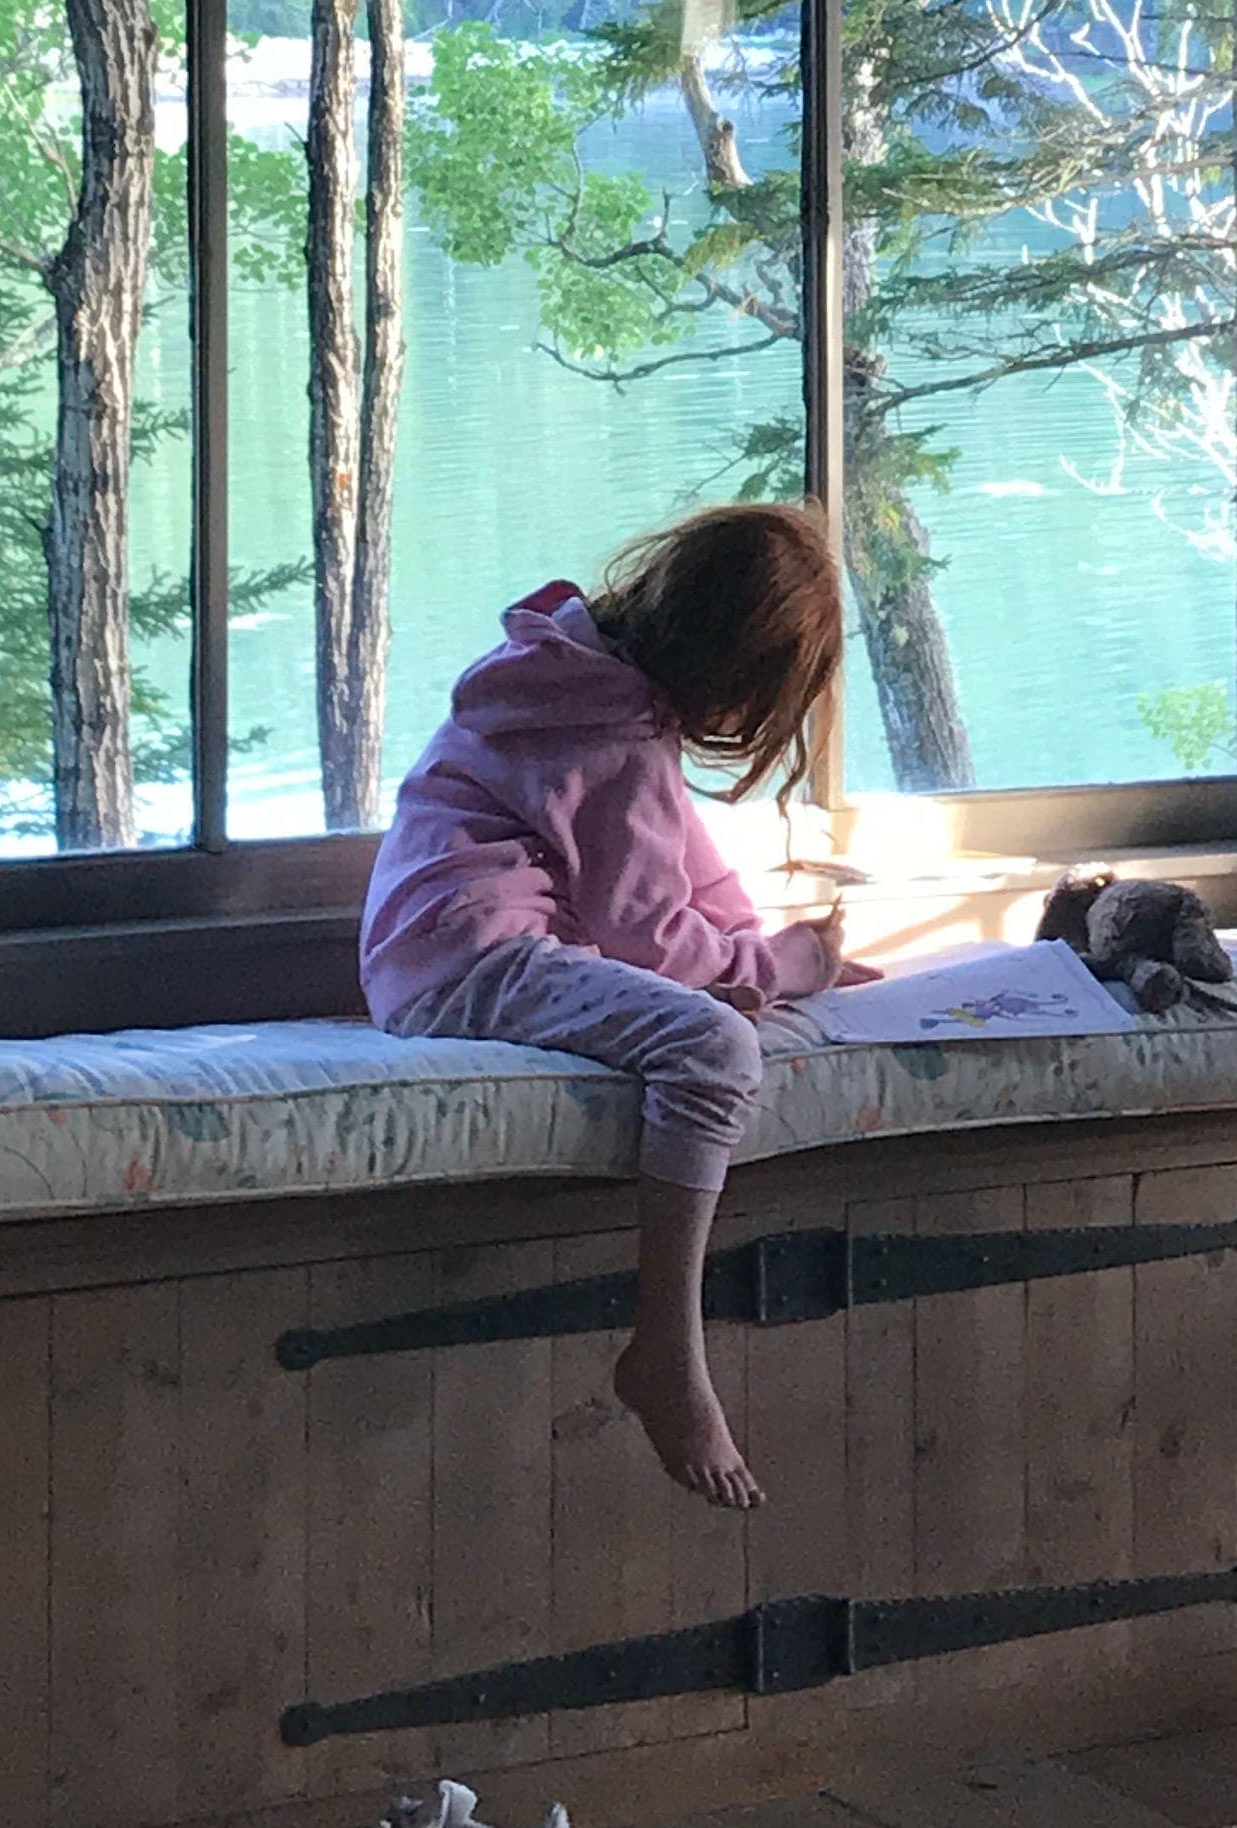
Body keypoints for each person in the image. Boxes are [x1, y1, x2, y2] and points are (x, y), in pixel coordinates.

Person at [362, 502, 872, 1509]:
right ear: (738, 676)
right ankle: (665, 1347)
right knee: (718, 1050)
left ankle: (665, 1348)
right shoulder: (609, 737)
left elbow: (688, 870)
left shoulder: (582, 681)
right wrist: (783, 970)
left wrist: (772, 953)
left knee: (716, 1010)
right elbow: (651, 936)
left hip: (442, 950)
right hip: (470, 963)